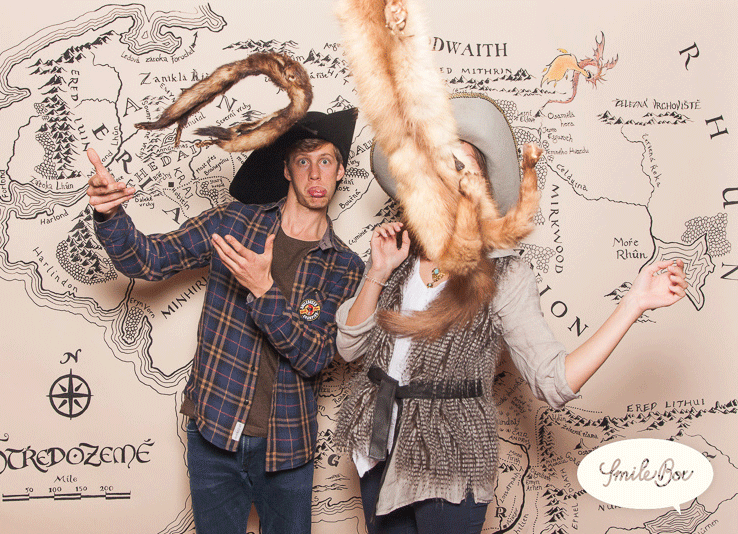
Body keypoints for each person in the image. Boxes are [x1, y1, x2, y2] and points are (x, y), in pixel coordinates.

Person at [333, 94, 689, 534]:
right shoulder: (396, 259)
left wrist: (633, 303)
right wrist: (378, 271)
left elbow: (552, 380)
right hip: (379, 446)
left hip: (450, 460)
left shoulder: (504, 274)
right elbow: (349, 347)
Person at [86, 108, 364, 534]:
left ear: (340, 171)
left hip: (287, 446)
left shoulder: (345, 266)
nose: (315, 173)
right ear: (286, 170)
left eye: (325, 161)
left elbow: (314, 357)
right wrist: (110, 216)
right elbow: (149, 260)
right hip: (214, 431)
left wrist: (263, 289)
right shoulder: (234, 223)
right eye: (303, 161)